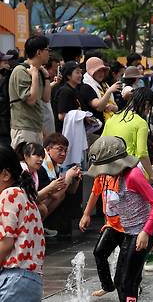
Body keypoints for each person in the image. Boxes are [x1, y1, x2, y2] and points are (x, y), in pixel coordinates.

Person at [86, 136, 153, 302]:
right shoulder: (117, 176)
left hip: (139, 235)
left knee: (128, 283)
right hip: (129, 233)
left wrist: (147, 232)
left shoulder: (133, 176)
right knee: (121, 281)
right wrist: (109, 223)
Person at [0, 145, 45, 302]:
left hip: (14, 279)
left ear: (5, 174)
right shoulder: (24, 193)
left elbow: (5, 243)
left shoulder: (9, 194)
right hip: (27, 281)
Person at [102, 87, 153, 184]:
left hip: (109, 175)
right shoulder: (140, 123)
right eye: (150, 107)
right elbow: (142, 153)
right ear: (147, 104)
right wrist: (152, 175)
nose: (149, 111)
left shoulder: (112, 118)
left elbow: (101, 143)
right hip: (128, 174)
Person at [8, 35, 52, 147]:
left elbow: (46, 98)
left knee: (36, 163)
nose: (49, 53)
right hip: (24, 128)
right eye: (47, 50)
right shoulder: (21, 71)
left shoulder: (38, 71)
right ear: (39, 52)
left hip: (36, 127)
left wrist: (46, 77)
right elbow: (31, 100)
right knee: (23, 162)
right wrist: (35, 75)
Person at [80, 57, 121, 138]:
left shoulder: (104, 85)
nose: (101, 73)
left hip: (110, 127)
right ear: (91, 72)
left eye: (103, 70)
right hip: (96, 132)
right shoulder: (86, 87)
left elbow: (117, 108)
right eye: (98, 70)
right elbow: (99, 107)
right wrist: (109, 92)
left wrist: (112, 107)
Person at [54, 61, 83, 133]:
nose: (80, 75)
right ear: (68, 76)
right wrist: (81, 116)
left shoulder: (75, 90)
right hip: (65, 132)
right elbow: (61, 116)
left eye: (80, 72)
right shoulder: (65, 91)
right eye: (77, 73)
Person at [0, 51, 15, 147]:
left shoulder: (6, 77)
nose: (8, 64)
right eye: (4, 62)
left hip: (7, 127)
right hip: (3, 129)